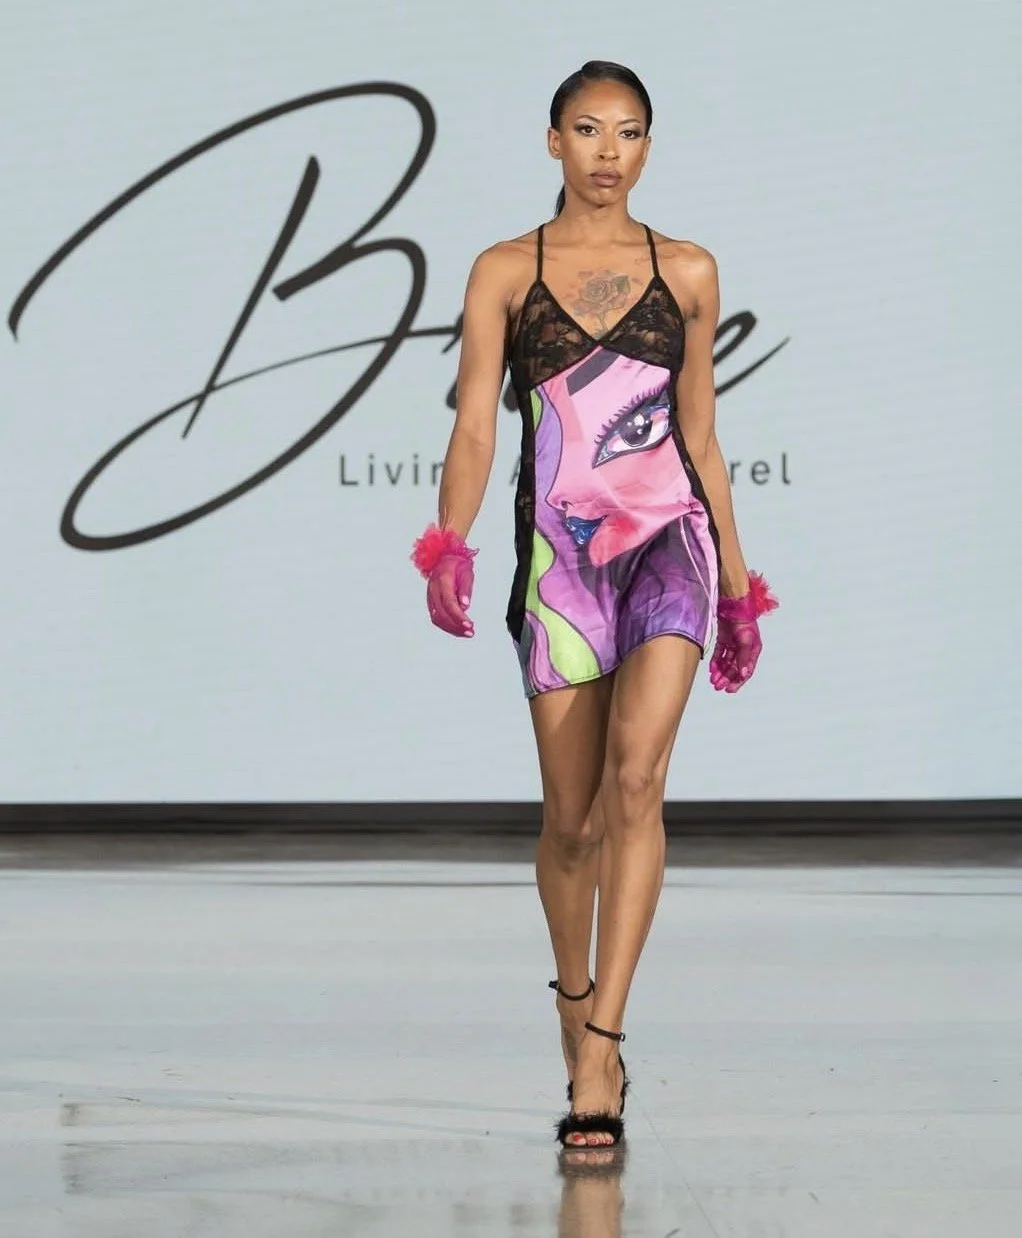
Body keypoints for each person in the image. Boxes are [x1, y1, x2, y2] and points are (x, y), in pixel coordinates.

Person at [410, 60, 778, 1150]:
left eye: (627, 132)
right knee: (570, 823)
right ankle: (573, 1004)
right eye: (587, 129)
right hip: (559, 562)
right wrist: (447, 541)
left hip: (669, 544)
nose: (607, 151)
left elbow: (700, 436)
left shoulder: (689, 269)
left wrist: (740, 586)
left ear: (648, 147)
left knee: (637, 779)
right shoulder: (503, 270)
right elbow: (477, 424)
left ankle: (605, 1046)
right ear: (552, 140)